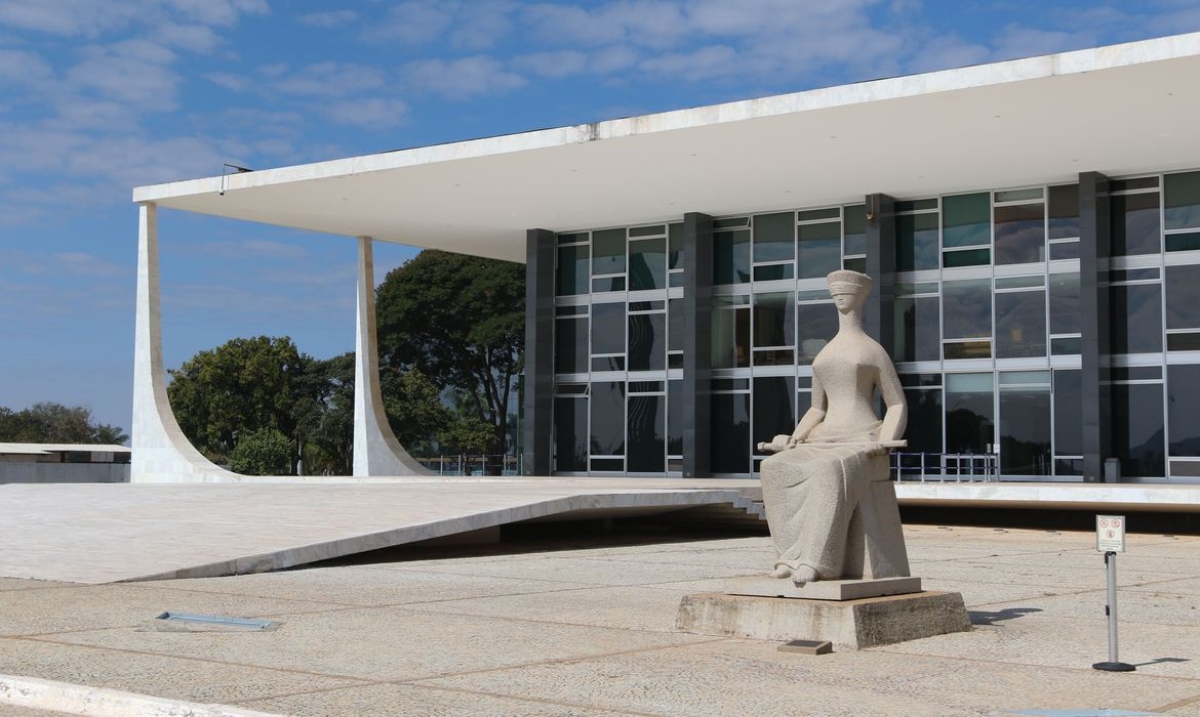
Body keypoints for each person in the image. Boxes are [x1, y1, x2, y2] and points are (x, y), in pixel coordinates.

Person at [757, 269, 907, 586]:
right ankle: (789, 557)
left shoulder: (873, 350)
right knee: (773, 467)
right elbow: (817, 408)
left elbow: (896, 404)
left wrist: (885, 440)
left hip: (861, 439)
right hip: (823, 437)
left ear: (861, 296)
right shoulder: (825, 353)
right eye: (835, 292)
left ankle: (816, 561)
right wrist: (794, 438)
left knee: (828, 469)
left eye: (847, 291)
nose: (839, 296)